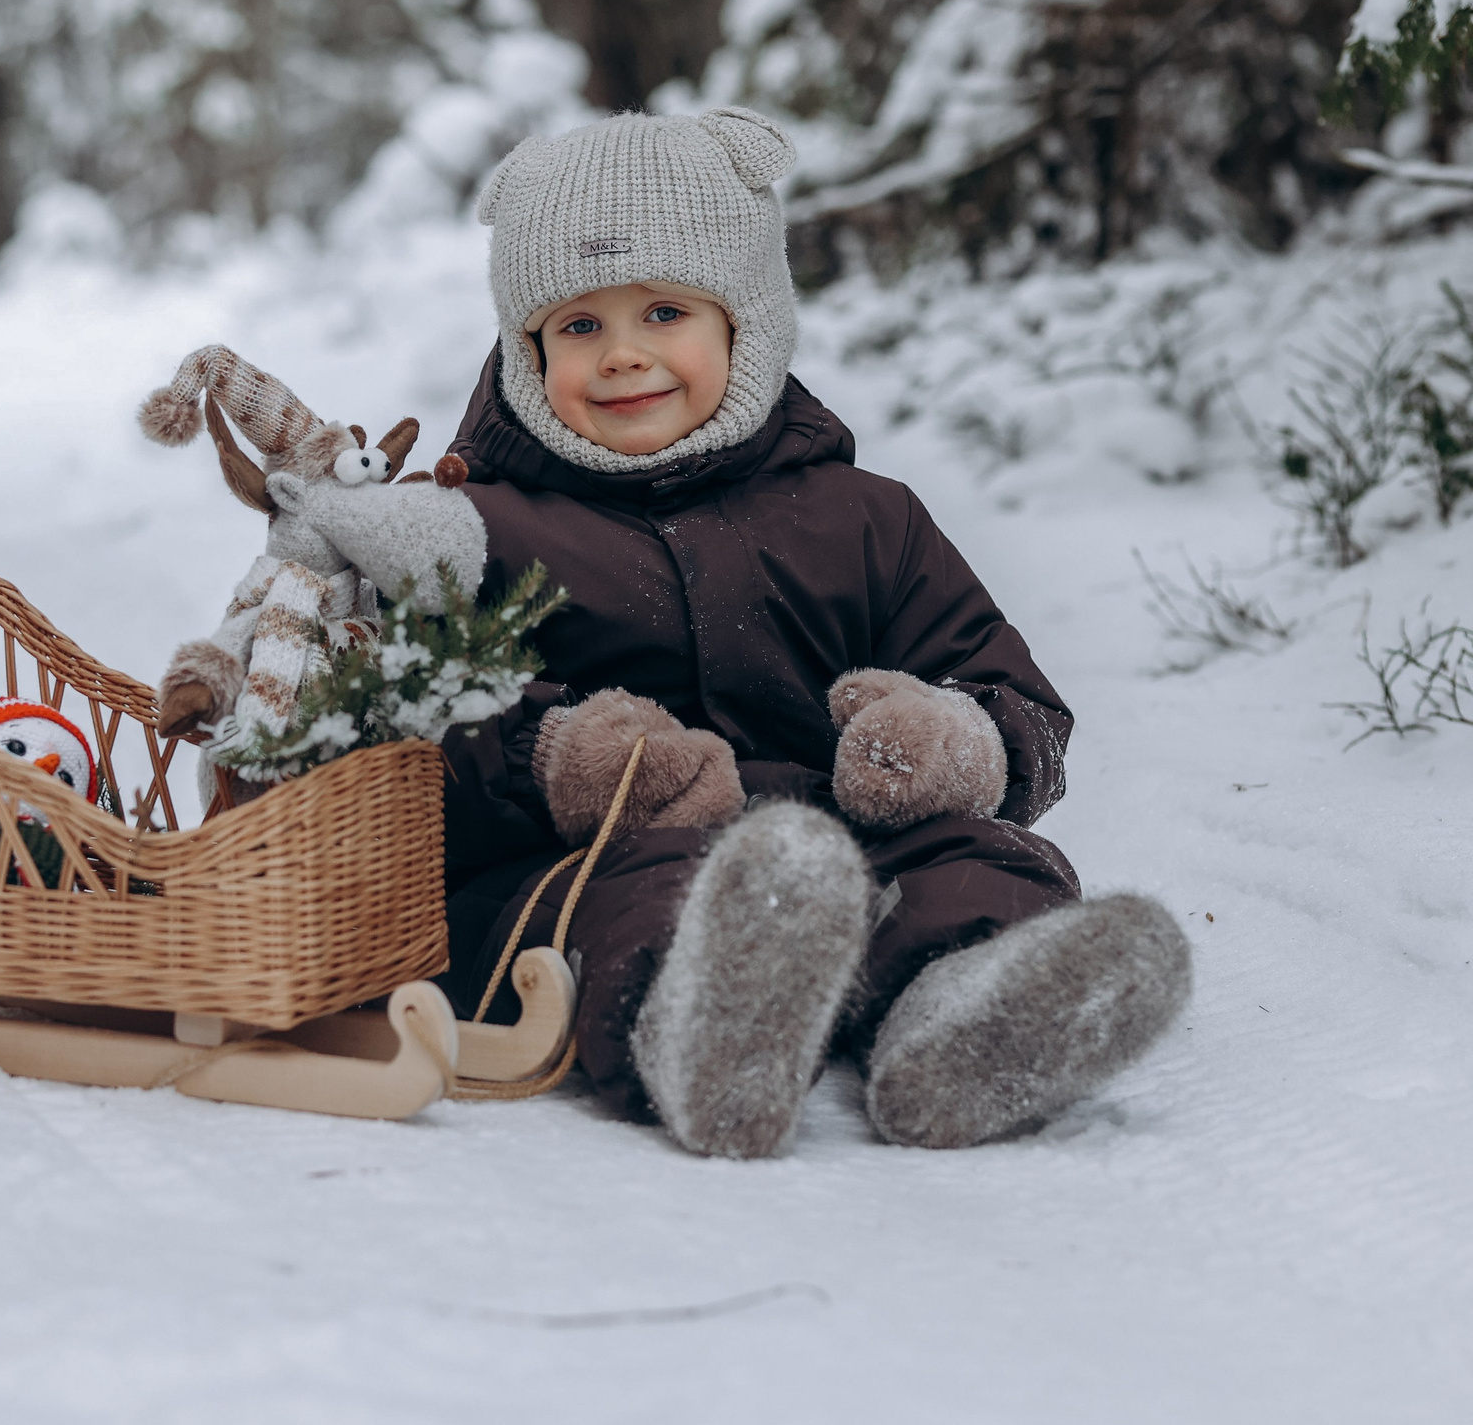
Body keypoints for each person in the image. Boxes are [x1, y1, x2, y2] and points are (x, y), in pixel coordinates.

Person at [431, 107, 1191, 1157]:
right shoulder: (474, 533)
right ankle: (696, 1027)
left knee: (967, 861)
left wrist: (953, 739)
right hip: (601, 856)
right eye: (578, 326)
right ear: (525, 348)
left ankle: (970, 1015)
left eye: (662, 311)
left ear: (745, 321)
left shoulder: (861, 517)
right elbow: (404, 735)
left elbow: (1018, 705)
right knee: (616, 909)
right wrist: (553, 757)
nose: (621, 357)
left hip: (846, 834)